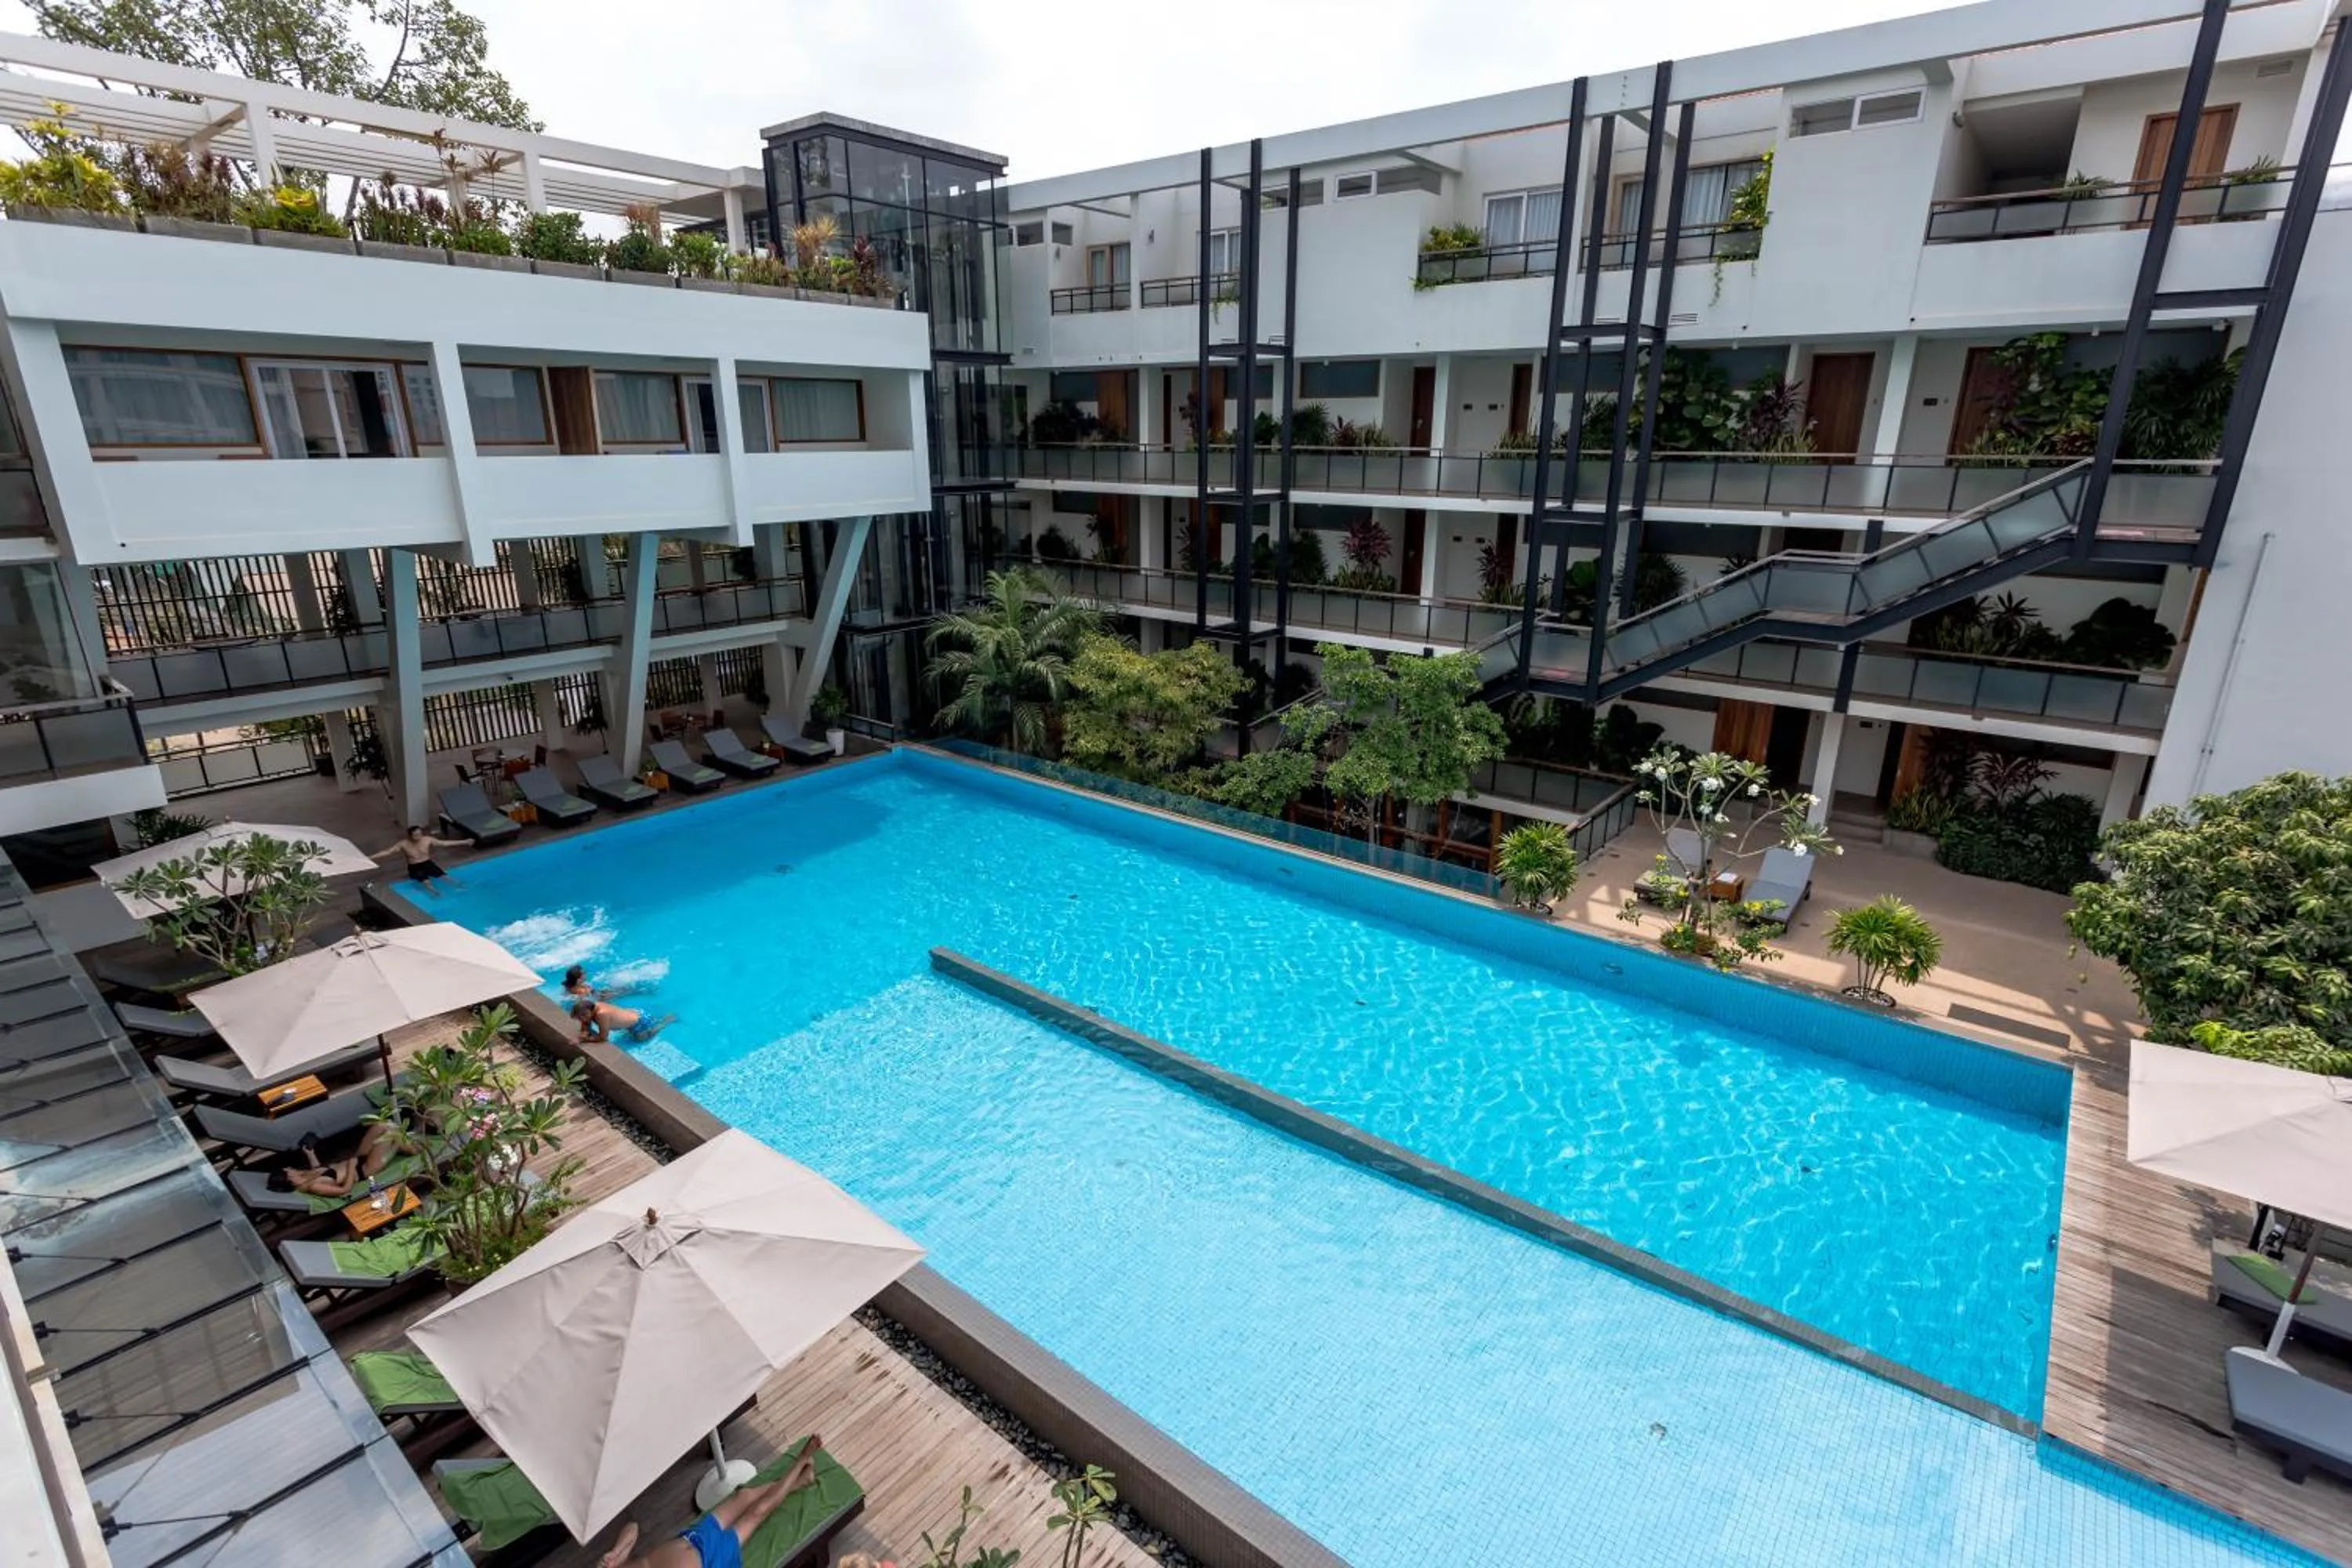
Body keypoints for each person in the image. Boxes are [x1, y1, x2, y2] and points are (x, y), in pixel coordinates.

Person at [595, 1438, 824, 1568]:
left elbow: (633, 1527)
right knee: (757, 1512)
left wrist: (616, 1551)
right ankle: (802, 1460)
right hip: (712, 1559)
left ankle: (799, 1482)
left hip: (693, 1537)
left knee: (743, 1496)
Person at [267, 1122, 404, 1198]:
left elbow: (320, 1171)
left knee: (381, 1126)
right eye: (288, 1170)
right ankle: (412, 1149)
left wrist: (310, 1154)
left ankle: (405, 1145)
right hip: (365, 1169)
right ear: (289, 1178)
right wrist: (351, 1167)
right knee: (391, 1132)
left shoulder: (303, 1176)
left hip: (356, 1159)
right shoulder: (314, 1186)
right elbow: (345, 1190)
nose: (290, 1168)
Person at [372, 827, 469, 897]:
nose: (419, 837)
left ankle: (459, 886)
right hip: (415, 866)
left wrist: (464, 841)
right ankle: (437, 894)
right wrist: (371, 857)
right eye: (416, 835)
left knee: (444, 876)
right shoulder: (403, 844)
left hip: (427, 863)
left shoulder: (427, 840)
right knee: (427, 882)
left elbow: (444, 843)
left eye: (420, 834)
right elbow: (388, 852)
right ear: (410, 836)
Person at [572, 997, 676, 1045]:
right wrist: (584, 1032)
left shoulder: (601, 1015)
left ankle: (667, 1021)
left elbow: (603, 1038)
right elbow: (586, 1023)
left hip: (640, 1021)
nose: (581, 1020)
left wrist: (583, 1040)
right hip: (633, 1013)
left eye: (582, 1017)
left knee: (640, 1039)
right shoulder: (593, 1006)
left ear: (588, 1012)